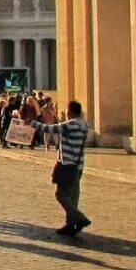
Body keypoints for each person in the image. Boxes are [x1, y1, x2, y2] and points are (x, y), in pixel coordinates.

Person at [42, 101, 93, 237]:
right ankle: (70, 225)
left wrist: (30, 123)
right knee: (73, 195)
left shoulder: (71, 124)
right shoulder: (84, 124)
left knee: (60, 194)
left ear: (70, 111)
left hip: (68, 164)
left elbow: (49, 129)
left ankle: (80, 218)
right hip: (79, 164)